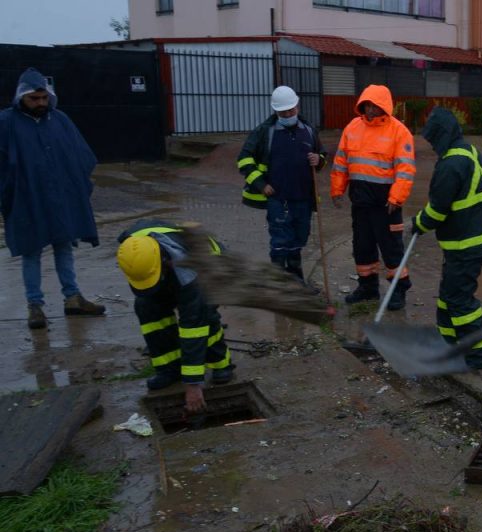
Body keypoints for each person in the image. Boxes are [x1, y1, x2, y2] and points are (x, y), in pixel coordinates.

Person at [0, 67, 106, 329]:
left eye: (44, 98)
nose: (40, 103)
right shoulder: (6, 122)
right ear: (21, 97)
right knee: (31, 249)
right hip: (27, 197)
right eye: (34, 99)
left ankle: (72, 298)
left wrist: (76, 186)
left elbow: (80, 155)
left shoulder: (60, 120)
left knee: (64, 244)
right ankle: (35, 306)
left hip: (61, 196)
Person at [411, 108, 482, 371]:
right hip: (471, 241)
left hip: (466, 244)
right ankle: (449, 343)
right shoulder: (470, 152)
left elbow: (438, 210)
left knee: (461, 302)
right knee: (448, 296)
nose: (431, 145)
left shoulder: (451, 164)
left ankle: (476, 356)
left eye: (432, 139)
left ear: (442, 135)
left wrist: (417, 224)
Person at [116, 220, 234, 413]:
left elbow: (192, 329)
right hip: (164, 269)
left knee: (204, 319)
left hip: (212, 272)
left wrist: (193, 384)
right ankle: (168, 368)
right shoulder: (133, 248)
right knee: (147, 307)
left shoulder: (189, 273)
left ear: (164, 261)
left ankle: (221, 363)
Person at [330, 84, 416, 310]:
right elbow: (341, 162)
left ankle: (398, 290)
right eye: (367, 105)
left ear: (384, 107)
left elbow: (405, 170)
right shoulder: (352, 128)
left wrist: (396, 199)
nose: (370, 110)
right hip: (360, 201)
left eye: (375, 106)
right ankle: (368, 287)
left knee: (391, 248)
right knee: (362, 245)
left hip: (386, 204)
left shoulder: (399, 131)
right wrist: (337, 189)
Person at [237, 85, 326, 285]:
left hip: (303, 198)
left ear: (297, 107)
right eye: (282, 111)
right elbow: (243, 160)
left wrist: (318, 160)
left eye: (291, 110)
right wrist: (261, 184)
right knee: (280, 242)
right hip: (278, 198)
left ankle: (295, 281)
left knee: (298, 240)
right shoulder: (264, 132)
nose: (287, 114)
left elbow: (323, 155)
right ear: (275, 110)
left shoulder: (309, 130)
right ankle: (278, 285)